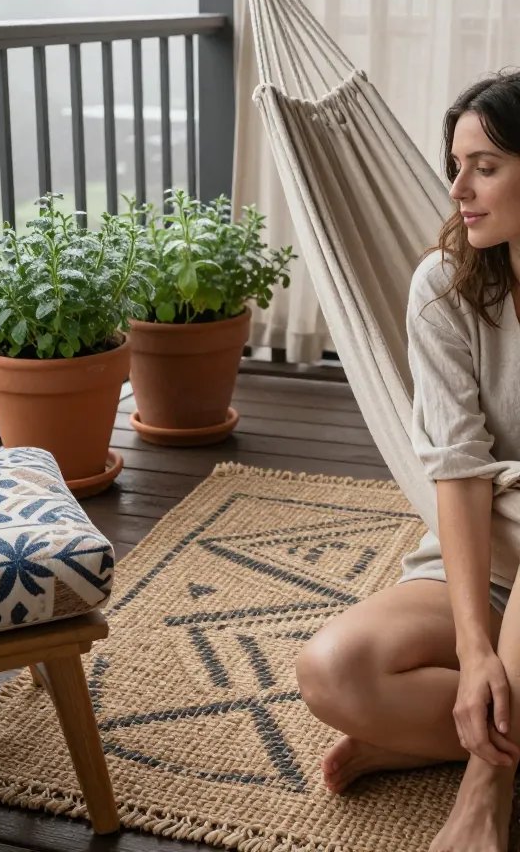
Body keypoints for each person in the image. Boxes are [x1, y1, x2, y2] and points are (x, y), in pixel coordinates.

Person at [295, 69, 520, 852]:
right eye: (454, 164)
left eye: (485, 166)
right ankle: (455, 736)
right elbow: (457, 470)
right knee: (333, 670)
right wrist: (475, 647)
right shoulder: (445, 285)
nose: (458, 187)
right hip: (492, 560)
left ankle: (483, 790)